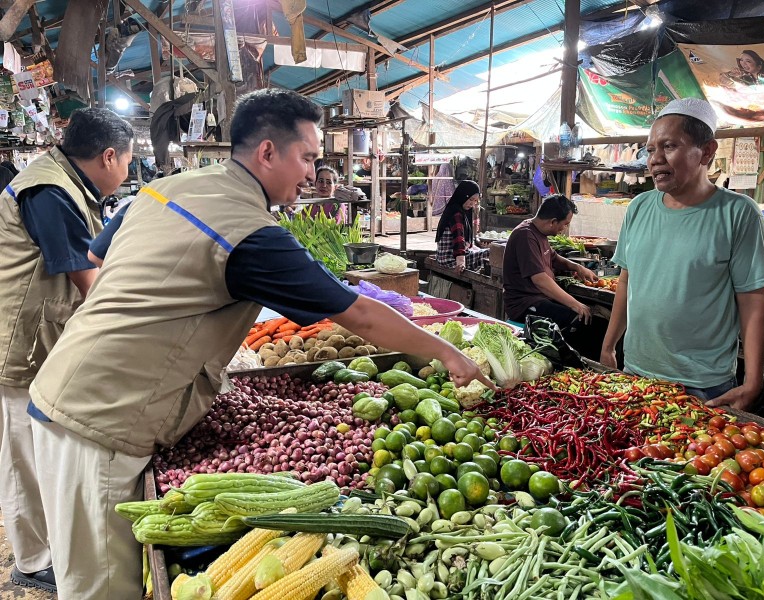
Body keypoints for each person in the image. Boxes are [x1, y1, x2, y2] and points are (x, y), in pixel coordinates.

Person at [27, 89, 492, 599]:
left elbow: (98, 257)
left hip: (70, 387)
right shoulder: (250, 231)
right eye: (309, 157)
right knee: (103, 587)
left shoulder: (169, 188)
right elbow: (358, 313)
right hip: (101, 420)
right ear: (268, 152)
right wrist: (450, 352)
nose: (313, 174)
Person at [0, 107, 133, 593]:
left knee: (36, 452)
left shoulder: (69, 183)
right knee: (20, 459)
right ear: (109, 155)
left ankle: (47, 547)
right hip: (16, 342)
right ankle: (32, 560)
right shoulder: (49, 191)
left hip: (40, 335)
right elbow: (87, 280)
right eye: (127, 163)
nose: (125, 173)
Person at [600, 98, 764, 409]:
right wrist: (609, 345)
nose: (655, 159)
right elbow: (627, 280)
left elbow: (753, 301)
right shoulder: (639, 207)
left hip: (704, 385)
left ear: (706, 151)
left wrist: (753, 383)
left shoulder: (739, 214)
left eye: (668, 146)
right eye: (650, 149)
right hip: (636, 374)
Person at [502, 194, 598, 330]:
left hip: (541, 298)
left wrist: (577, 267)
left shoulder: (539, 232)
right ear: (552, 221)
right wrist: (575, 304)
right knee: (577, 319)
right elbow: (540, 280)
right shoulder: (525, 235)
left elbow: (553, 257)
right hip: (524, 304)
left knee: (590, 315)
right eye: (565, 224)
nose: (564, 229)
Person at [435, 180, 488, 273]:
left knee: (482, 251)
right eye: (471, 199)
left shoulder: (453, 209)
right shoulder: (456, 214)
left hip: (443, 258)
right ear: (463, 195)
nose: (472, 204)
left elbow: (465, 242)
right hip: (450, 260)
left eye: (475, 201)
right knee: (491, 253)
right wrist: (460, 262)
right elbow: (458, 238)